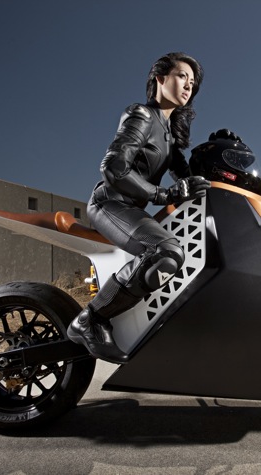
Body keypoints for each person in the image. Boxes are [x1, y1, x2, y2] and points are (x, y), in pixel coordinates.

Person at [67, 52, 210, 363]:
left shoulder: (169, 134)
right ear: (160, 78)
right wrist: (162, 194)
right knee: (165, 252)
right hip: (110, 203)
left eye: (192, 81)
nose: (189, 85)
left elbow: (186, 176)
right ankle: (91, 319)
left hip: (132, 210)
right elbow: (113, 167)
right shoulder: (142, 115)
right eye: (182, 76)